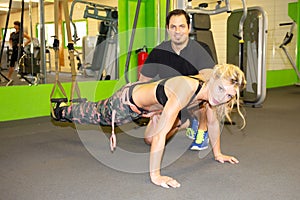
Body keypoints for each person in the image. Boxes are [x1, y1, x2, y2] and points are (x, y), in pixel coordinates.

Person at [51, 64, 246, 189]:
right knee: (94, 114)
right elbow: (161, 135)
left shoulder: (210, 93)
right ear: (213, 80)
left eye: (229, 96)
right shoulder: (187, 88)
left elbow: (212, 123)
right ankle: (61, 111)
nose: (221, 97)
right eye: (220, 89)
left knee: (172, 122)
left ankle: (154, 116)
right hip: (126, 104)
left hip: (150, 109)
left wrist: (218, 154)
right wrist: (156, 176)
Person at [139, 9, 216, 151]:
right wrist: (150, 106)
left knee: (205, 94)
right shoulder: (159, 52)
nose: (177, 31)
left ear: (188, 28)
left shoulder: (201, 49)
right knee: (150, 139)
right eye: (173, 27)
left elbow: (208, 77)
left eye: (182, 26)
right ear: (168, 29)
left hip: (194, 102)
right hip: (170, 103)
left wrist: (184, 83)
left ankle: (202, 129)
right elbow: (143, 82)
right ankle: (185, 123)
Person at [6, 21, 31, 86]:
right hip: (14, 50)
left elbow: (29, 39)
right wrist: (11, 45)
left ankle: (22, 76)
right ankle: (8, 77)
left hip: (20, 50)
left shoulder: (22, 33)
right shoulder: (12, 33)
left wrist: (23, 44)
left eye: (15, 25)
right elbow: (10, 40)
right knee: (12, 64)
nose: (14, 26)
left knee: (21, 63)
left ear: (18, 26)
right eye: (14, 25)